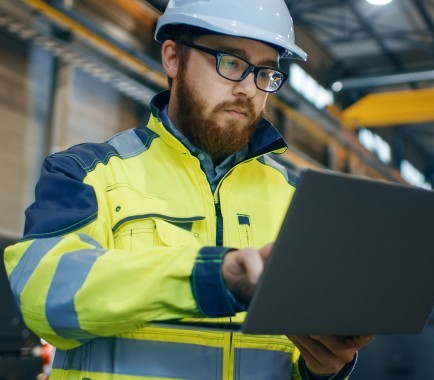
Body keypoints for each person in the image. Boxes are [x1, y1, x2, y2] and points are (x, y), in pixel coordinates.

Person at [4, 0, 372, 378]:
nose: (248, 88)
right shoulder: (87, 172)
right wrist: (210, 277)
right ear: (173, 58)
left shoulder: (299, 200)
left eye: (265, 73)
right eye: (231, 62)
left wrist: (321, 368)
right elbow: (43, 297)